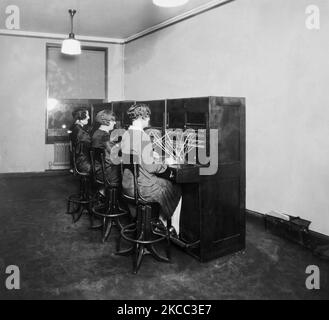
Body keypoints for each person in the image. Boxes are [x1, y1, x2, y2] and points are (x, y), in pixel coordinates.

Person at [121, 103, 182, 235]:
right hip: (142, 187)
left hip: (128, 184)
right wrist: (165, 164)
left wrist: (150, 154)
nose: (149, 120)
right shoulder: (142, 136)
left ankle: (160, 222)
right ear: (142, 117)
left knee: (165, 183)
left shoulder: (127, 134)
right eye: (148, 117)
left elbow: (134, 156)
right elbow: (149, 167)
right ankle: (171, 229)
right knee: (176, 188)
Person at [91, 109, 121, 185]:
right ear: (106, 121)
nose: (114, 122)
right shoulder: (105, 135)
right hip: (106, 173)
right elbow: (113, 155)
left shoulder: (97, 132)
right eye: (112, 120)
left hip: (97, 169)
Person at [69, 108, 91, 174]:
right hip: (83, 162)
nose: (89, 117)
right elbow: (91, 143)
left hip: (78, 160)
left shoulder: (75, 128)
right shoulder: (80, 131)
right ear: (81, 117)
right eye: (87, 115)